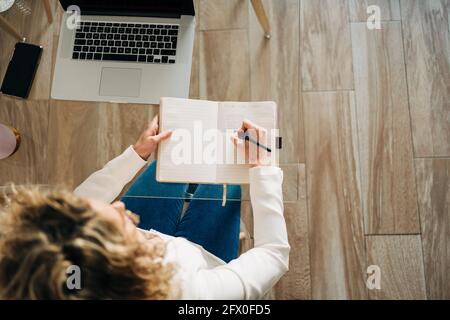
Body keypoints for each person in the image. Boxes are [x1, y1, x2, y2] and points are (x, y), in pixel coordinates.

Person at [0, 116, 290, 299]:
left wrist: (135, 154)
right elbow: (274, 255)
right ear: (127, 264)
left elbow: (82, 202)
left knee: (163, 165)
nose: (117, 204)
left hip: (154, 247)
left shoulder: (55, 262)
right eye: (121, 220)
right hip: (202, 260)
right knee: (225, 182)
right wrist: (261, 168)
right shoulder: (194, 295)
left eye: (93, 211)